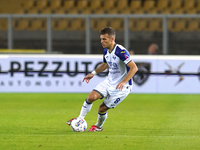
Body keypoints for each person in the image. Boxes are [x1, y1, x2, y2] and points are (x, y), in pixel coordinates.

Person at [67, 27, 138, 132]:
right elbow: (105, 64)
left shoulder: (120, 51)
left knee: (102, 108)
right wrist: (93, 73)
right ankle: (80, 119)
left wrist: (123, 82)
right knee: (91, 97)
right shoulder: (106, 51)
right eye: (101, 39)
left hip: (122, 87)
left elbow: (134, 68)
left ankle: (98, 126)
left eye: (104, 39)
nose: (101, 41)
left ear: (112, 39)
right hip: (109, 82)